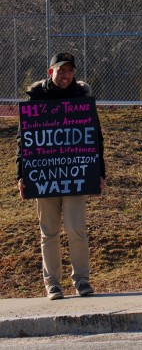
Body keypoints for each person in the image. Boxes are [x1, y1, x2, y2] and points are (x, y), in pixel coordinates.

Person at [16, 52, 106, 300]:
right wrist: (21, 175)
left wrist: (99, 172)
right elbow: (24, 141)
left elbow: (95, 137)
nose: (65, 75)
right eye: (61, 70)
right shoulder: (36, 97)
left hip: (76, 175)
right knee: (49, 232)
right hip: (44, 176)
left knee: (76, 229)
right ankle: (53, 284)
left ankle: (82, 281)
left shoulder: (82, 97)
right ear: (50, 72)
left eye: (70, 71)